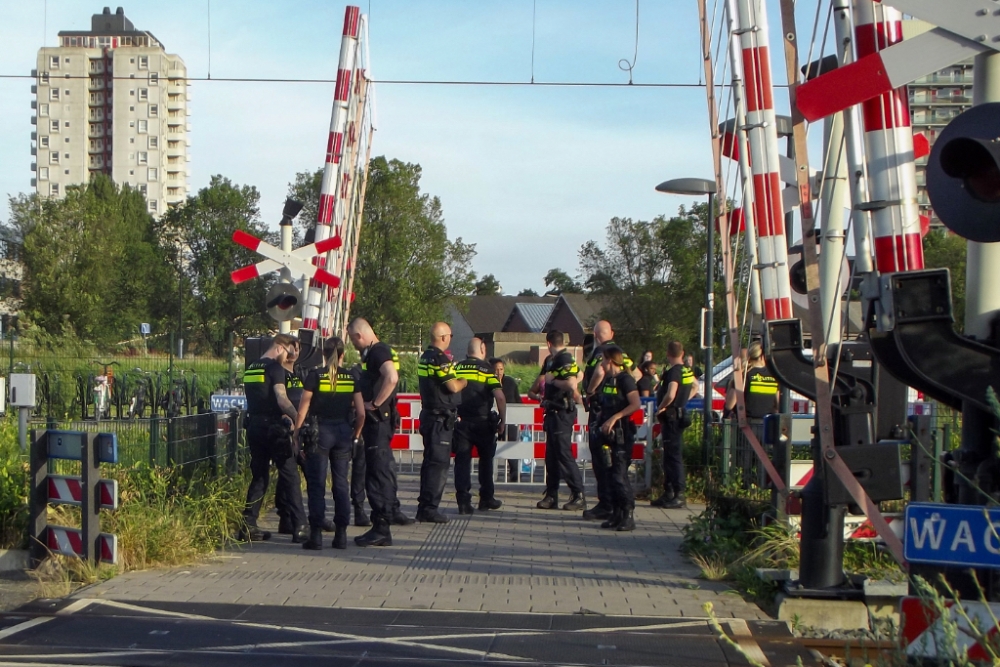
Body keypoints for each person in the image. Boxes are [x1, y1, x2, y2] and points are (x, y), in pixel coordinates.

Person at [348, 318, 413, 547]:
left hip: (378, 423)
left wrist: (374, 404)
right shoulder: (376, 352)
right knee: (376, 473)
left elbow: (391, 377)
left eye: (353, 340)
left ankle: (382, 527)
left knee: (377, 475)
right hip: (378, 423)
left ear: (359, 336)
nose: (354, 346)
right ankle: (380, 525)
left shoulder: (378, 351)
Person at [294, 336, 363, 550]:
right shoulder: (352, 377)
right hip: (343, 433)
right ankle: (340, 535)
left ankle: (316, 536)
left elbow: (303, 408)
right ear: (342, 354)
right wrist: (356, 436)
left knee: (316, 484)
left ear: (323, 354)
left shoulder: (316, 376)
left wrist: (296, 434)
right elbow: (361, 413)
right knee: (341, 484)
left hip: (320, 433)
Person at [239, 333, 307, 542]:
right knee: (290, 475)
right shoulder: (274, 368)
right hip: (274, 429)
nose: (287, 358)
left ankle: (248, 525)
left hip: (254, 426)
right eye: (287, 352)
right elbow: (281, 398)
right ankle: (300, 527)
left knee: (260, 476)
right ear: (280, 347)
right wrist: (298, 419)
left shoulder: (251, 368)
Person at [580, 320, 635, 520]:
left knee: (602, 462)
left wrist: (590, 391)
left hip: (602, 415)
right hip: (615, 417)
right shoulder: (622, 353)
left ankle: (606, 504)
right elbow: (635, 374)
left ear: (595, 335)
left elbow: (599, 372)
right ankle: (617, 507)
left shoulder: (600, 353)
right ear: (611, 332)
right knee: (616, 465)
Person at [528, 329, 586, 511]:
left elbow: (571, 382)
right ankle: (551, 495)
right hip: (552, 411)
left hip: (562, 411)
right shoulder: (550, 361)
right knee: (551, 456)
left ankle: (578, 494)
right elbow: (581, 373)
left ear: (548, 343)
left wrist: (553, 382)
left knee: (564, 454)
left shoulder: (564, 358)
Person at [415, 322, 467, 523]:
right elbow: (452, 386)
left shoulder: (425, 357)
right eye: (451, 336)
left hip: (430, 416)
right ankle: (429, 508)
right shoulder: (439, 359)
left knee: (429, 463)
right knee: (438, 464)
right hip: (440, 420)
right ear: (444, 337)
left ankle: (425, 506)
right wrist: (464, 381)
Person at [454, 339, 507, 513]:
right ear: (483, 349)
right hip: (483, 422)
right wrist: (502, 420)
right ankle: (486, 498)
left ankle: (463, 501)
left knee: (462, 461)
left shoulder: (457, 368)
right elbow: (499, 397)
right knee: (486, 461)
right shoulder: (487, 370)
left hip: (461, 422)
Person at [594, 346, 641, 531]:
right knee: (610, 474)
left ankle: (628, 514)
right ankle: (617, 514)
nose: (601, 363)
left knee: (619, 475)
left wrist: (615, 417)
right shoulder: (608, 380)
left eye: (603, 360)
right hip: (608, 435)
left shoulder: (625, 379)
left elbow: (635, 404)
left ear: (610, 360)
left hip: (622, 434)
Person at [652, 341, 695, 510]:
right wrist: (684, 401)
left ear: (668, 354)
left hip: (671, 417)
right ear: (682, 353)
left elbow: (671, 393)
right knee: (669, 456)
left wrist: (661, 407)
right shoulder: (686, 370)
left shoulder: (674, 372)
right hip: (679, 414)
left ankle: (678, 493)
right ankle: (669, 492)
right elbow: (695, 386)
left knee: (672, 457)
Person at [743, 342, 779, 419]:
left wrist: (726, 414)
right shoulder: (774, 374)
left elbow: (734, 398)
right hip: (769, 420)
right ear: (763, 356)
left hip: (749, 420)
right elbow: (778, 401)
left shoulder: (746, 373)